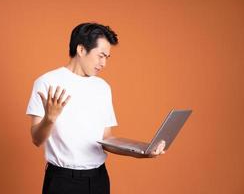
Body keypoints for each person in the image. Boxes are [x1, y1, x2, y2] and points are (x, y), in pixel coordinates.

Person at [26, 22, 166, 194]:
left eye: (107, 57)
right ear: (81, 49)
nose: (103, 63)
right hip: (62, 181)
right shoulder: (47, 82)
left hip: (98, 179)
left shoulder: (103, 87)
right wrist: (50, 119)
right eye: (100, 55)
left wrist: (142, 151)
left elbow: (106, 138)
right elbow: (36, 139)